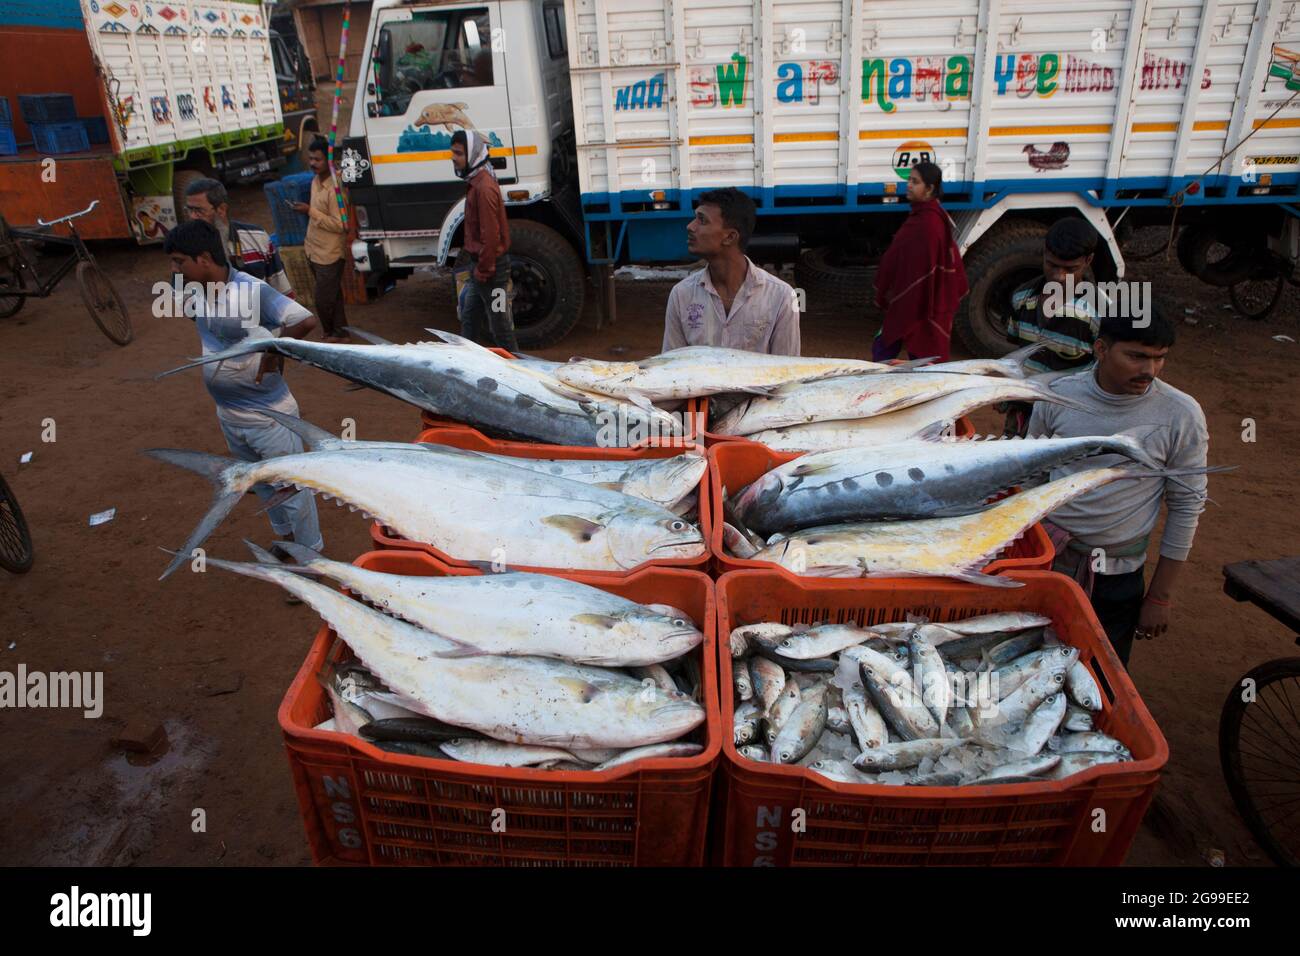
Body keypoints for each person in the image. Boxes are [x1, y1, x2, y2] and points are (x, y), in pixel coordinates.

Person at [1027, 307, 1210, 667]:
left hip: (1118, 577)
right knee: (1030, 664)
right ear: (1100, 349)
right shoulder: (1055, 394)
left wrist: (1159, 597)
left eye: (1160, 358)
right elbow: (1029, 475)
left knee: (1100, 676)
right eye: (1137, 356)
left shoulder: (1181, 414)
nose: (1149, 370)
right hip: (1047, 563)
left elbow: (1187, 506)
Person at [163, 220, 324, 599]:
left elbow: (305, 320)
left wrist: (274, 350)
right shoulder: (196, 291)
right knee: (261, 484)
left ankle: (311, 563)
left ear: (204, 259)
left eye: (179, 261)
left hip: (270, 417)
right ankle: (284, 544)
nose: (175, 270)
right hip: (230, 415)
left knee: (293, 489)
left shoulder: (251, 290)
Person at [663, 187, 800, 355]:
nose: (690, 226)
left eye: (702, 220)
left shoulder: (781, 296)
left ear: (730, 237)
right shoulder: (681, 295)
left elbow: (787, 371)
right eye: (694, 218)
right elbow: (672, 367)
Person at [1001, 218, 1105, 435]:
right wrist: (1006, 392)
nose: (1058, 276)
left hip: (1067, 421)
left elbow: (1103, 373)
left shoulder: (1100, 312)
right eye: (1052, 264)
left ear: (1089, 260)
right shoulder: (1021, 297)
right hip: (1021, 412)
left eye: (1069, 269)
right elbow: (1016, 353)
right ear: (1044, 254)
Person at [872, 162, 968, 362]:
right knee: (892, 347)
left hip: (920, 301)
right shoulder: (923, 216)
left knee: (917, 353)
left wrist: (896, 290)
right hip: (911, 298)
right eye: (909, 180)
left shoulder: (929, 223)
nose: (908, 185)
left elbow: (924, 269)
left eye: (915, 182)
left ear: (929, 189)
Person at [451, 128, 518, 350]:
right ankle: (465, 365)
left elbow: (491, 236)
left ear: (472, 155)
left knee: (500, 326)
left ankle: (519, 369)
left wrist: (484, 269)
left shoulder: (484, 188)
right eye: (453, 152)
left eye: (459, 153)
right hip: (480, 269)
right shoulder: (476, 181)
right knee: (469, 321)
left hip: (491, 272)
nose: (454, 158)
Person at [183, 177, 294, 296]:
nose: (193, 216)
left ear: (221, 209)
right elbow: (181, 304)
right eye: (189, 210)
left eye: (198, 210)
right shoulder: (183, 247)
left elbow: (283, 293)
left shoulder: (257, 237)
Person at [290, 137, 349, 343]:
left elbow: (341, 225)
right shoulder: (316, 181)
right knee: (333, 295)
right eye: (311, 158)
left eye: (318, 159)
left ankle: (334, 332)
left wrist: (310, 211)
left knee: (323, 299)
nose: (313, 163)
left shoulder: (335, 188)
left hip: (330, 253)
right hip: (314, 249)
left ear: (329, 161)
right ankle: (339, 333)